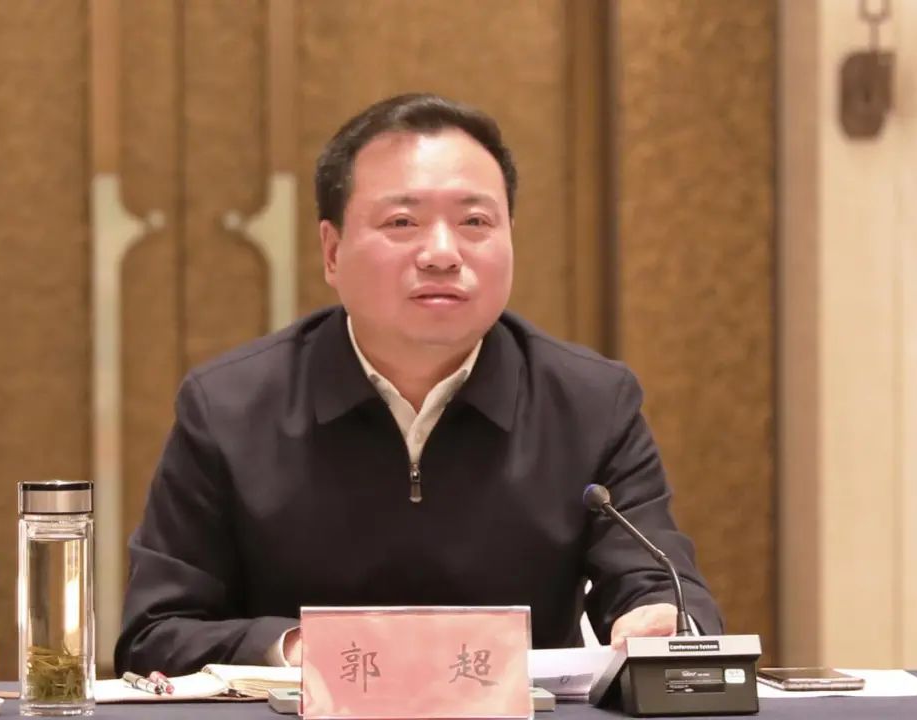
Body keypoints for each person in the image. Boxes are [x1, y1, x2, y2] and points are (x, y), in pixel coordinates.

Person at [114, 93, 722, 675]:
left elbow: (660, 585)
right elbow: (156, 633)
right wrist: (302, 649)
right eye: (402, 221)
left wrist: (660, 619)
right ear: (332, 251)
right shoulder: (229, 407)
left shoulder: (592, 403)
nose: (442, 253)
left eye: (475, 221)